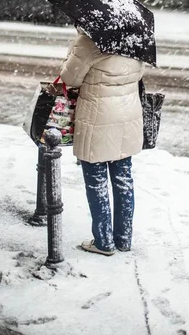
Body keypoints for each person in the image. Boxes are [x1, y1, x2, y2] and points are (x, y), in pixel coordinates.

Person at [60, 28, 144, 256]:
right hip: (128, 116)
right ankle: (124, 238)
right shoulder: (134, 37)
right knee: (123, 178)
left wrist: (71, 52)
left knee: (96, 181)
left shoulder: (89, 42)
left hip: (97, 118)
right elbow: (138, 75)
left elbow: (70, 79)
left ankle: (104, 241)